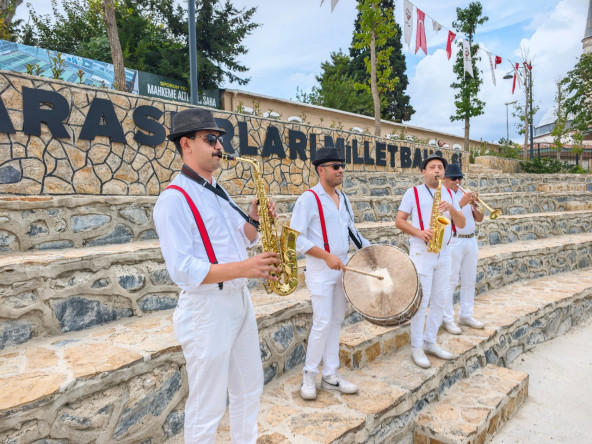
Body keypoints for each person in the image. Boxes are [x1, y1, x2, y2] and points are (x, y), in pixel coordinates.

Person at [153, 108, 280, 444]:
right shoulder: (172, 200)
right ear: (186, 144)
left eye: (219, 139)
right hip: (206, 309)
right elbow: (183, 269)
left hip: (238, 300)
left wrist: (253, 220)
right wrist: (248, 269)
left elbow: (241, 242)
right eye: (210, 139)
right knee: (207, 406)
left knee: (249, 388)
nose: (218, 146)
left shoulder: (218, 190)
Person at [290, 146, 370, 400]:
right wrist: (326, 256)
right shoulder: (308, 199)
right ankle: (308, 376)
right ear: (321, 169)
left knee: (335, 322)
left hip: (343, 267)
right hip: (320, 270)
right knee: (322, 322)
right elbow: (296, 239)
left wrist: (372, 251)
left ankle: (331, 376)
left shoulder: (343, 198)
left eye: (342, 166)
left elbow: (351, 230)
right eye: (336, 167)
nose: (341, 170)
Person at [395, 154, 466, 369]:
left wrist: (451, 209)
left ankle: (430, 341)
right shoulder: (413, 192)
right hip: (421, 251)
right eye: (432, 167)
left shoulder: (449, 194)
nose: (437, 170)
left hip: (444, 252)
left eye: (440, 168)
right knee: (421, 302)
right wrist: (419, 232)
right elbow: (399, 220)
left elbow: (461, 224)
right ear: (424, 171)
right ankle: (416, 346)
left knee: (440, 300)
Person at [441, 164, 485, 334]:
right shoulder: (444, 196)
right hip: (454, 241)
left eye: (460, 177)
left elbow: (479, 219)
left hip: (470, 240)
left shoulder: (464, 194)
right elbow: (444, 218)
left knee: (469, 279)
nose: (457, 181)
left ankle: (466, 314)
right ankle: (447, 318)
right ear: (445, 179)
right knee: (450, 281)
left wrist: (476, 204)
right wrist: (461, 203)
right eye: (453, 178)